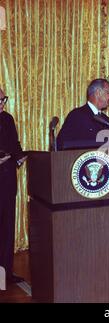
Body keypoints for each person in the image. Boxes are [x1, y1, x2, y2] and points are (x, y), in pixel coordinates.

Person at [0, 88, 26, 284]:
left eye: (4, 99)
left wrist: (20, 156)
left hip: (7, 180)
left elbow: (14, 144)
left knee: (7, 226)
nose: (2, 103)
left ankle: (6, 273)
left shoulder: (7, 119)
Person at [57, 78, 109, 150]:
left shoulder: (106, 120)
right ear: (98, 92)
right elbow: (61, 144)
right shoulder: (76, 116)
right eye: (108, 93)